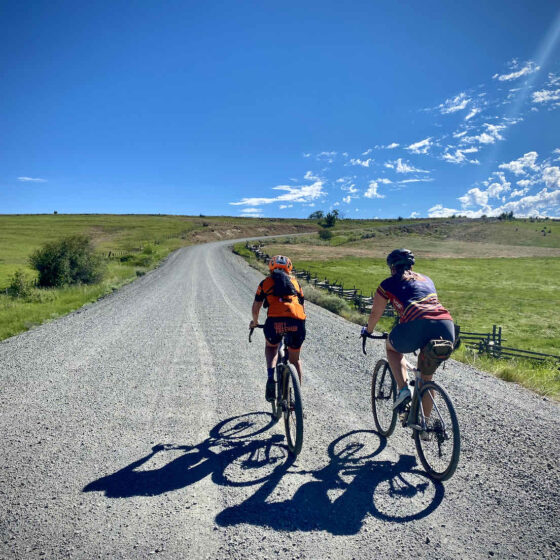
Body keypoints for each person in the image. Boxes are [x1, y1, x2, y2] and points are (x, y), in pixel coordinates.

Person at [361, 249, 455, 412]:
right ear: (411, 265)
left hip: (416, 323)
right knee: (426, 379)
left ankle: (404, 390)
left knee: (391, 347)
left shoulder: (388, 283)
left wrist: (368, 331)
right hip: (446, 325)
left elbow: (376, 313)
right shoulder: (427, 279)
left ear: (392, 267)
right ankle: (424, 428)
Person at [250, 255, 306, 402]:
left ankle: (270, 377)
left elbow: (256, 308)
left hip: (274, 322)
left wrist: (255, 322)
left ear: (271, 268)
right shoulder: (296, 283)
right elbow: (302, 307)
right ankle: (296, 399)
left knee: (271, 347)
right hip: (297, 322)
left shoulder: (266, 283)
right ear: (289, 269)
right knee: (295, 360)